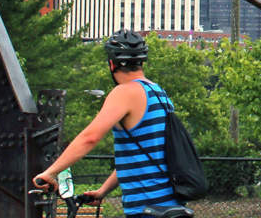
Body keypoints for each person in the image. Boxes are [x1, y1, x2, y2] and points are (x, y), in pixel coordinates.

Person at [32, 30, 182, 217]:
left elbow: (90, 137)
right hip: (169, 202)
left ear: (111, 63)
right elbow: (139, 156)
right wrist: (103, 190)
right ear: (142, 61)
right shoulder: (159, 94)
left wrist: (51, 172)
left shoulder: (125, 92)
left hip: (146, 207)